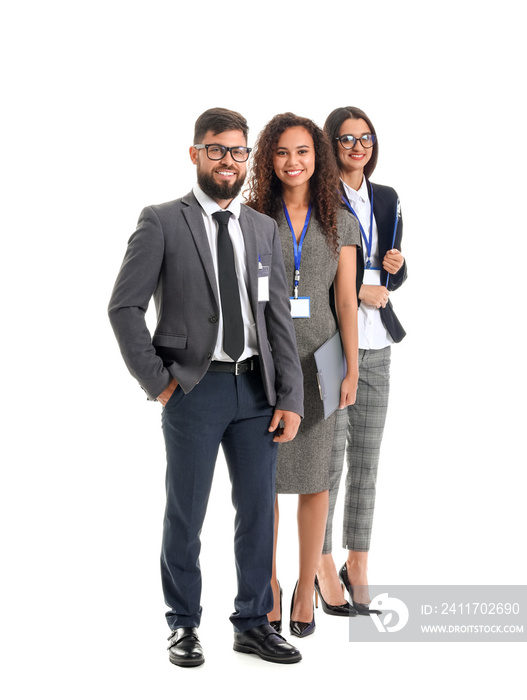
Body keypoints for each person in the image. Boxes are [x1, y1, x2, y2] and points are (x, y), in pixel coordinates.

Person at [108, 108, 305, 666]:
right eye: (216, 150)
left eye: (238, 151)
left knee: (258, 513)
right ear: (195, 154)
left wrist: (289, 397)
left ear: (247, 159)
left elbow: (278, 321)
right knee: (186, 513)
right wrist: (162, 386)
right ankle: (184, 624)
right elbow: (124, 308)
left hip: (257, 394)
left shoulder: (262, 228)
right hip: (193, 392)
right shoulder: (162, 220)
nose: (228, 161)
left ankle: (251, 622)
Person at [246, 113, 359, 637]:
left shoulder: (340, 219)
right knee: (261, 482)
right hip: (263, 363)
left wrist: (353, 368)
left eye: (304, 152)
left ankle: (303, 585)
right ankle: (265, 585)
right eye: (282, 152)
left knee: (315, 481)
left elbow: (345, 301)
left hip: (320, 364)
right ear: (269, 158)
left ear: (319, 157)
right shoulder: (252, 216)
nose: (294, 162)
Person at [317, 106, 407, 615]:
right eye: (347, 138)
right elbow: (312, 273)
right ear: (332, 144)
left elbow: (391, 267)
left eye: (365, 137)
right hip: (332, 344)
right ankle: (322, 562)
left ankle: (359, 561)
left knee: (368, 461)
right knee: (329, 460)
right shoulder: (318, 196)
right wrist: (361, 289)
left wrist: (396, 268)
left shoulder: (388, 197)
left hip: (378, 344)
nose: (358, 146)